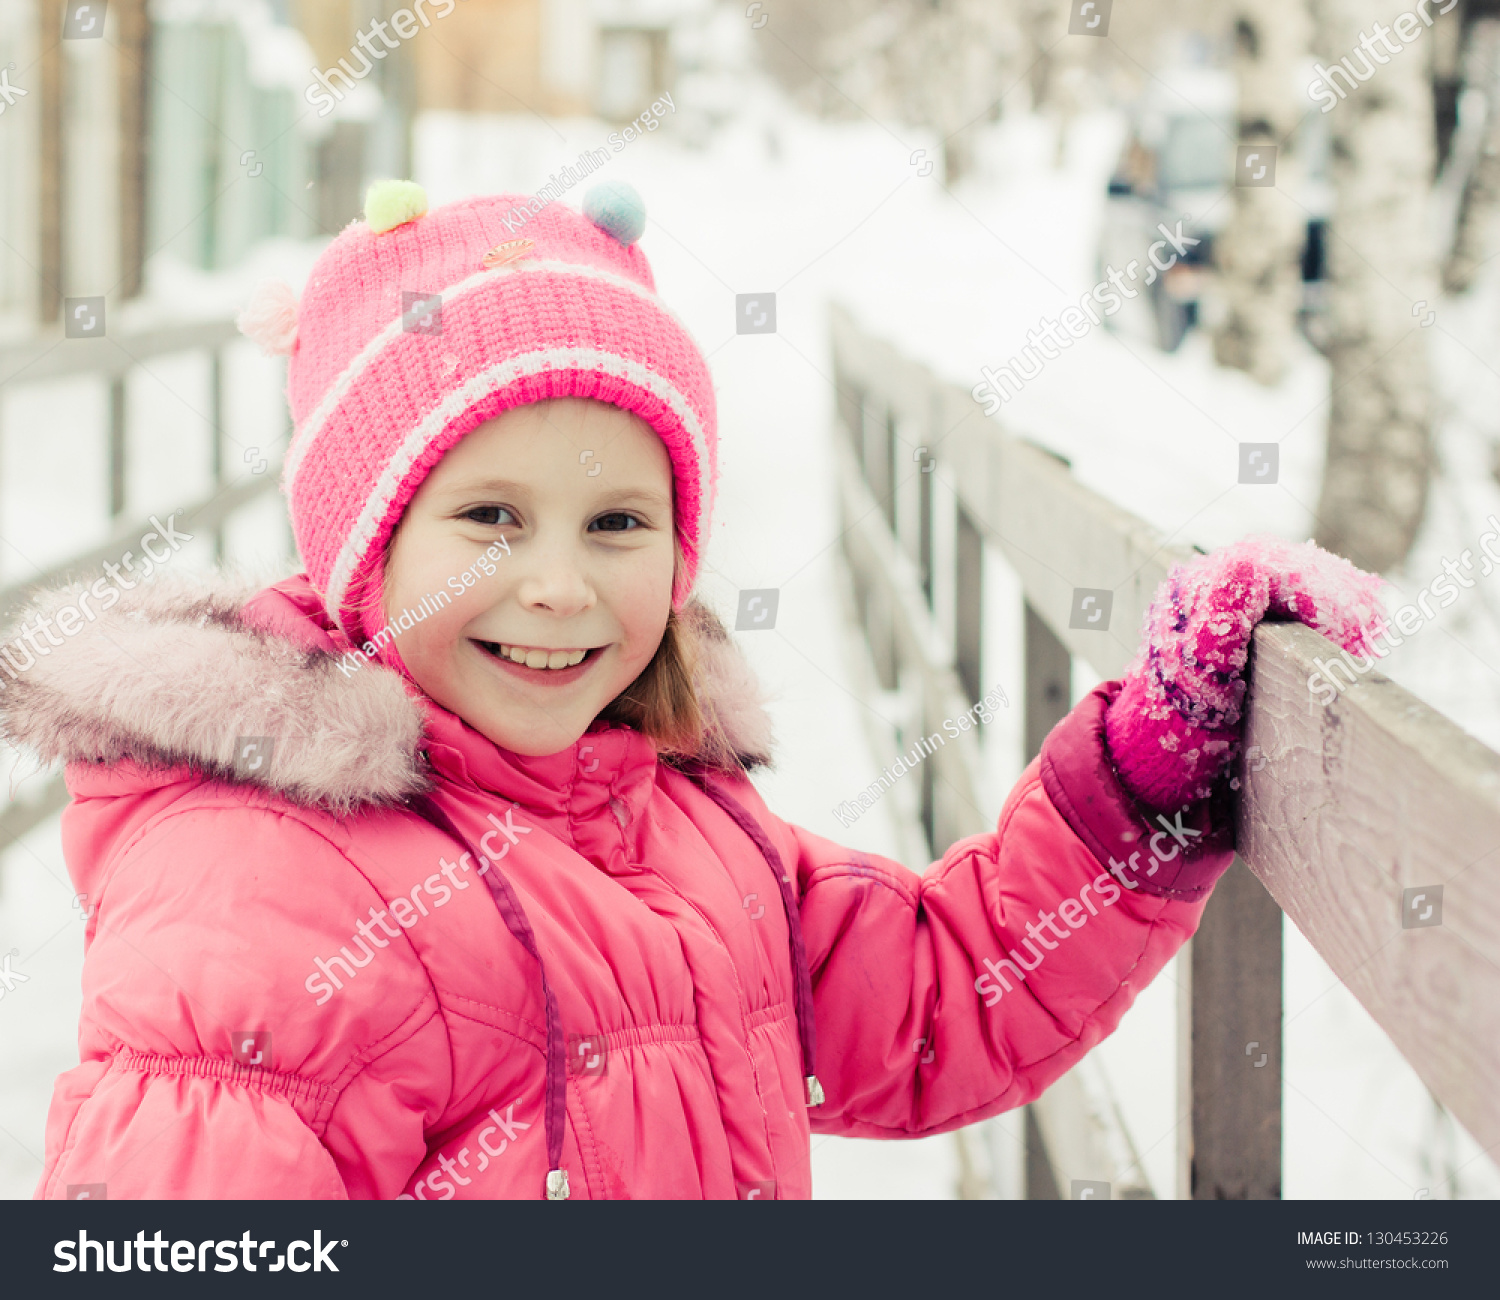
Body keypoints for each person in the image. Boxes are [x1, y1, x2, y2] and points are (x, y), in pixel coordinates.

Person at [5, 180, 1385, 1199]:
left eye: (617, 526)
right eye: (489, 518)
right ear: (365, 553)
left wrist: (1140, 783)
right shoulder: (264, 894)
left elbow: (934, 1002)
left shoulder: (674, 815)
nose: (559, 587)